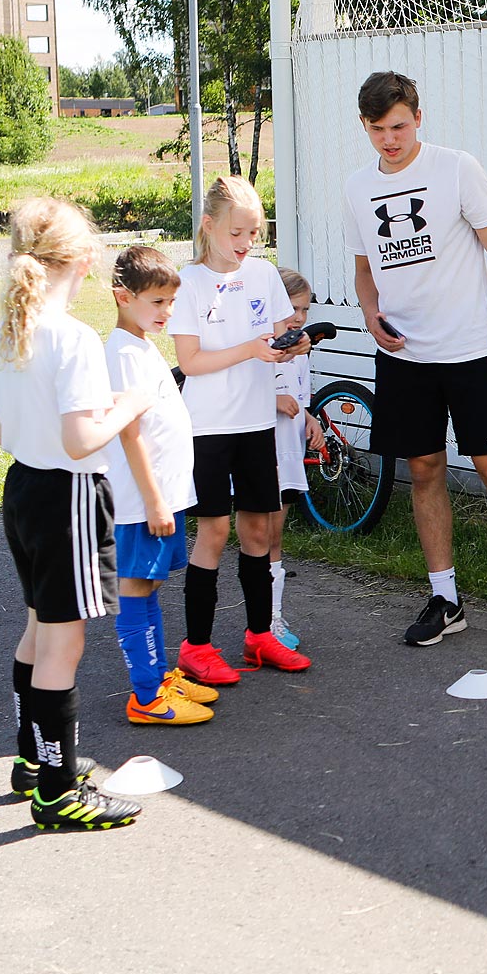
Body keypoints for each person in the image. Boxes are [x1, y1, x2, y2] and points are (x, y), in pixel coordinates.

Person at [343, 70, 487, 645]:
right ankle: (445, 599)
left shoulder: (456, 168)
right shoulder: (356, 188)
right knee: (423, 470)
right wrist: (371, 315)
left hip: (472, 351)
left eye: (398, 126)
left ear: (418, 118)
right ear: (365, 128)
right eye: (378, 130)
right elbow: (364, 270)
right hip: (405, 359)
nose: (390, 140)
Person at [0, 198, 150, 829]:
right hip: (69, 496)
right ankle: (57, 791)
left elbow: (2, 429)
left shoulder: (11, 330)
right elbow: (83, 441)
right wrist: (128, 404)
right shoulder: (77, 337)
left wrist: (86, 412)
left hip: (24, 489)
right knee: (65, 640)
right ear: (85, 258)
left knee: (38, 627)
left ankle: (35, 760)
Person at [171, 175, 314, 683]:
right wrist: (253, 348)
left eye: (254, 234)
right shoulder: (186, 284)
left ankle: (259, 638)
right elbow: (189, 361)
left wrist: (295, 343)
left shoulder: (264, 275)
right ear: (208, 226)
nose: (246, 244)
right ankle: (196, 647)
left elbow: (278, 335)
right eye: (237, 233)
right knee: (213, 530)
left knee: (258, 528)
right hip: (207, 426)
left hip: (257, 423)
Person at [103, 245, 221, 725]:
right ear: (122, 297)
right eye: (157, 303)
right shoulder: (122, 354)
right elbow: (129, 433)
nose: (167, 312)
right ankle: (146, 697)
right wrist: (154, 501)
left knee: (150, 584)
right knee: (137, 585)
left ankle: (157, 678)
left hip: (161, 498)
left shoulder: (142, 346)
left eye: (171, 303)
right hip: (140, 503)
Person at [267, 267, 325, 651]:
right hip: (261, 450)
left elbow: (299, 399)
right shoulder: (257, 346)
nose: (299, 316)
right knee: (262, 535)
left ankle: (272, 614)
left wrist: (309, 418)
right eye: (292, 306)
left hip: (288, 453)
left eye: (304, 309)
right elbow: (238, 390)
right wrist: (273, 401)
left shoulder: (300, 352)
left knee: (276, 536)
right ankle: (264, 620)